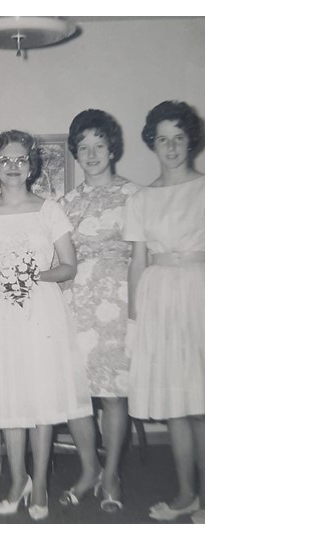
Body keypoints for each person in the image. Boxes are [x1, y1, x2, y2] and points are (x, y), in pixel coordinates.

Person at [0, 130, 92, 521]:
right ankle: (18, 481)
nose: (13, 166)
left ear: (32, 166)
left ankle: (41, 484)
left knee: (41, 397)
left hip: (41, 312)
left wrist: (31, 276)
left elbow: (68, 266)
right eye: (5, 160)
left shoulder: (49, 211)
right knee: (10, 396)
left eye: (21, 159)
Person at [124, 100, 204, 524]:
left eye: (179, 138)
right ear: (152, 143)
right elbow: (137, 262)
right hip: (158, 298)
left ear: (191, 140)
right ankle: (188, 494)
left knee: (205, 401)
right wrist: (134, 320)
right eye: (162, 139)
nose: (171, 147)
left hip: (203, 294)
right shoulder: (141, 198)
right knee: (177, 401)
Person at [56, 110, 141, 512]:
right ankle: (89, 469)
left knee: (112, 397)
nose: (91, 155)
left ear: (112, 149)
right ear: (75, 152)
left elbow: (144, 259)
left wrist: (137, 315)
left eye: (99, 145)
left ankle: (111, 476)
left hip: (117, 310)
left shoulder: (135, 197)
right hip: (73, 308)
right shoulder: (64, 204)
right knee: (76, 396)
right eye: (83, 147)